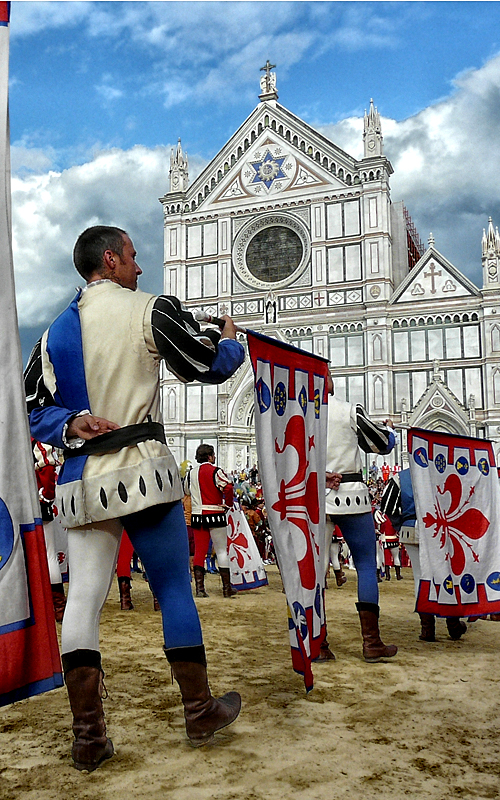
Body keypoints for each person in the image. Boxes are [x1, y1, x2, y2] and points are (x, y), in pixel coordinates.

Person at [23, 225, 245, 771]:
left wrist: (71, 422)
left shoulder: (52, 333)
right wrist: (232, 339)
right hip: (143, 471)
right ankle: (199, 710)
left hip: (81, 479)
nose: (140, 267)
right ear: (111, 259)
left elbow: (28, 405)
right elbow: (205, 365)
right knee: (172, 590)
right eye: (134, 256)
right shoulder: (150, 308)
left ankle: (88, 738)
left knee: (82, 601)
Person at [324, 374, 398, 662]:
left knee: (315, 573)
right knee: (366, 565)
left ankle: (318, 644)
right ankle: (371, 643)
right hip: (352, 495)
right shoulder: (349, 409)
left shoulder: (303, 413)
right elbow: (381, 445)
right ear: (331, 385)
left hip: (316, 496)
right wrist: (388, 430)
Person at [380, 469, 468, 642]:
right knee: (447, 575)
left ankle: (427, 629)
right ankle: (453, 625)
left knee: (420, 577)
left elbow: (388, 506)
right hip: (443, 528)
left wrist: (400, 525)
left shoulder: (400, 477)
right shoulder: (443, 470)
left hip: (411, 528)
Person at [185, 444, 235, 598]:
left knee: (200, 551)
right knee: (221, 550)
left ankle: (200, 589)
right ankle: (227, 588)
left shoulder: (190, 474)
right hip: (215, 513)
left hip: (198, 514)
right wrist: (228, 504)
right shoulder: (216, 471)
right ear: (210, 456)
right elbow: (227, 487)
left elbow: (186, 491)